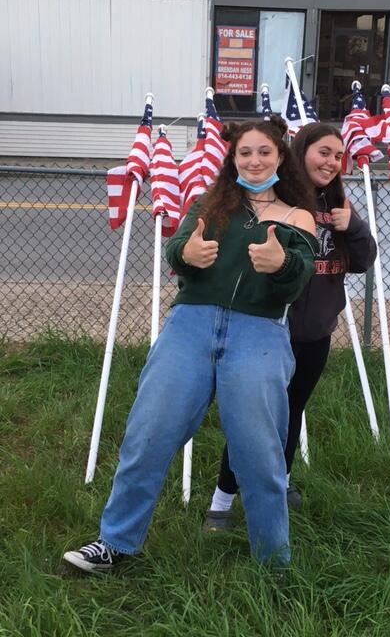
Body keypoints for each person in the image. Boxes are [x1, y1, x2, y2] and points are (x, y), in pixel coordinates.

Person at [63, 115, 318, 572]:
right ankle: (115, 542)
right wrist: (186, 253)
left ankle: (274, 563)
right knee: (148, 433)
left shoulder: (298, 216)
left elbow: (297, 282)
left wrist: (281, 265)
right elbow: (176, 249)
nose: (254, 160)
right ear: (232, 158)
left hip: (259, 333)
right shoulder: (209, 204)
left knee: (260, 452)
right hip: (189, 326)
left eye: (264, 151)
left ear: (281, 157)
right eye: (244, 152)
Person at [204, 122, 377, 529]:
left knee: (291, 412)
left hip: (315, 335)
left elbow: (364, 259)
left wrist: (351, 226)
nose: (332, 162)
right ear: (300, 152)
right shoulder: (278, 201)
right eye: (324, 152)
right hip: (269, 330)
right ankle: (221, 502)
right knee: (253, 417)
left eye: (338, 156)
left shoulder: (338, 205)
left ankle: (278, 482)